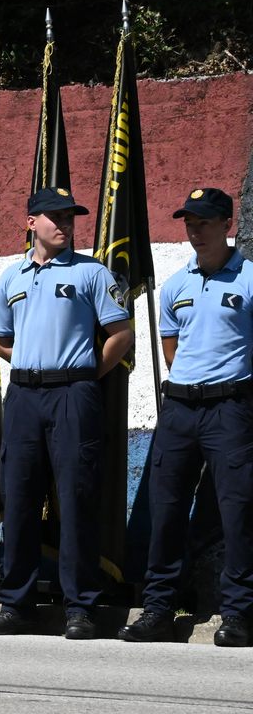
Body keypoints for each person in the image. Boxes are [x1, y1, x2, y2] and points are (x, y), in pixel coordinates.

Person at [0, 187, 134, 639]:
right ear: (32, 223)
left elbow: (119, 334)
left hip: (74, 396)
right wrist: (33, 364)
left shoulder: (92, 273)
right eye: (54, 217)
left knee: (75, 498)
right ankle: (17, 604)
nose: (64, 224)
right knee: (20, 499)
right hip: (25, 397)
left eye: (69, 217)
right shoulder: (12, 277)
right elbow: (2, 339)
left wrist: (83, 372)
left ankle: (80, 606)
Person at [119, 188, 253, 647]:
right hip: (180, 407)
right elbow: (171, 347)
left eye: (204, 222)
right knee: (168, 507)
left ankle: (238, 613)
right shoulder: (176, 284)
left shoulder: (250, 279)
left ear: (226, 225)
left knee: (239, 512)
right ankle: (158, 608)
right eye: (189, 223)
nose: (195, 231)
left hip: (231, 408)